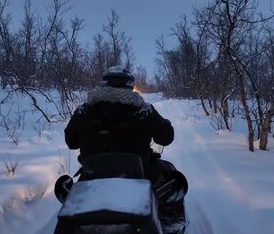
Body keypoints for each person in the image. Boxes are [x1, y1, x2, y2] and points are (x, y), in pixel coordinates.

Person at [64, 66, 186, 216]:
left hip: (93, 174)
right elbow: (166, 138)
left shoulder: (84, 111)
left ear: (103, 84)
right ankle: (170, 222)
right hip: (140, 174)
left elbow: (71, 142)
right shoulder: (144, 111)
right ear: (130, 86)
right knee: (172, 177)